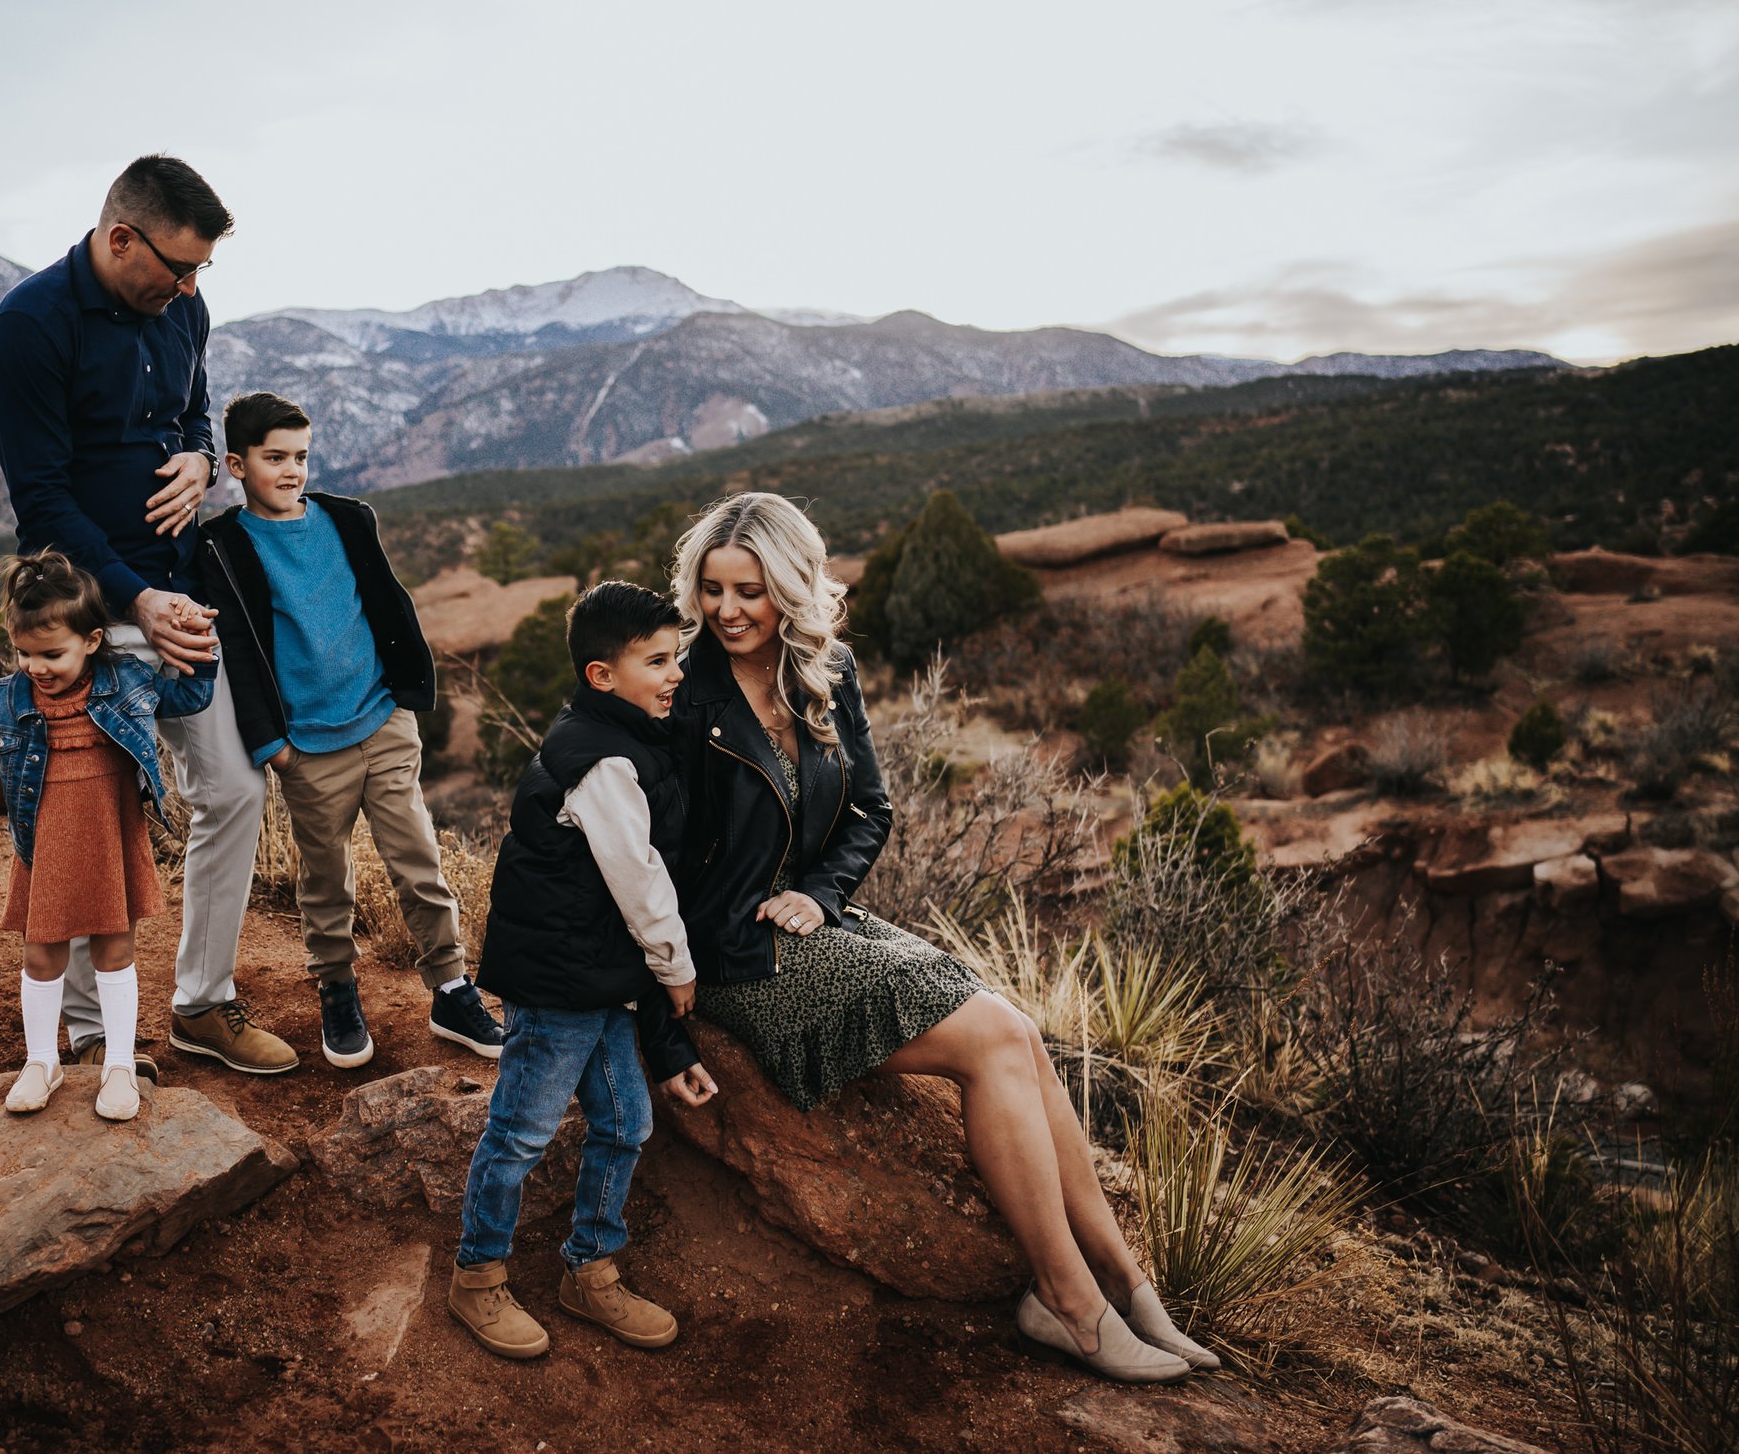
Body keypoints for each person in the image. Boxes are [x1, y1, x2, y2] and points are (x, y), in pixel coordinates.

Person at [668, 492, 1218, 1385]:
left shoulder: (825, 668)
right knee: (994, 1038)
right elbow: (644, 849)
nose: (727, 610)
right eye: (713, 588)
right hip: (734, 949)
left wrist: (819, 890)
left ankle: (1122, 1280)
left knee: (1017, 1031)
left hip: (811, 916)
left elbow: (868, 808)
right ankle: (1068, 1304)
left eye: (751, 591)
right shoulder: (682, 691)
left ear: (792, 591)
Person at [0, 155, 295, 1077]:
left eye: (202, 273)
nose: (192, 289)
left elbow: (193, 414)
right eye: (179, 267)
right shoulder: (28, 329)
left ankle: (203, 1003)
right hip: (98, 609)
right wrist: (136, 601)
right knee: (94, 813)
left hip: (186, 592)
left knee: (234, 791)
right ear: (122, 238)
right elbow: (40, 503)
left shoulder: (181, 309)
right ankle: (81, 1036)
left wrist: (201, 459)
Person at [448, 581, 721, 1361]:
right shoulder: (601, 760)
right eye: (658, 661)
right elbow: (636, 875)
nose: (676, 674)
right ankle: (477, 1274)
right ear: (603, 676)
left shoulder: (629, 732)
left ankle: (589, 1269)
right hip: (559, 980)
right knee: (521, 1131)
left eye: (679, 657)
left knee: (627, 1122)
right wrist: (674, 964)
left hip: (600, 977)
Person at [192, 392, 505, 1068]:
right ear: (237, 466)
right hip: (307, 746)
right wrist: (272, 745)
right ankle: (337, 988)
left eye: (301, 456)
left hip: (383, 720)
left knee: (418, 860)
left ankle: (451, 986)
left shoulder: (346, 519)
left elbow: (385, 600)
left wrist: (403, 701)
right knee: (325, 879)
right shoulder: (224, 548)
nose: (292, 470)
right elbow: (238, 652)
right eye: (274, 458)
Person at [0, 552, 218, 1122]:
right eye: (25, 653)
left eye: (52, 654)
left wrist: (204, 643)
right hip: (46, 841)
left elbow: (189, 697)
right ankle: (41, 1061)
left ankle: (121, 1065)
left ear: (93, 639)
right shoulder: (11, 698)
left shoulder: (125, 681)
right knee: (40, 953)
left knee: (114, 949)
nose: (37, 666)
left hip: (109, 837)